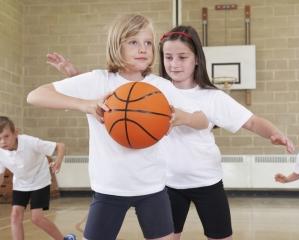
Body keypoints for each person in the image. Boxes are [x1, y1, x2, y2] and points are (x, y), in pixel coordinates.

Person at [45, 25, 295, 240]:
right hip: (167, 183)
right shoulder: (150, 89)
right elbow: (115, 100)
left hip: (206, 181)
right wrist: (76, 77)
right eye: (168, 57)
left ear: (197, 59)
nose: (174, 64)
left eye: (182, 57)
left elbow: (250, 121)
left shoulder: (212, 97)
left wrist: (274, 133)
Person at [27, 14, 209, 240]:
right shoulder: (97, 81)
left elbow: (203, 120)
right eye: (133, 42)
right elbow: (35, 96)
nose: (143, 49)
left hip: (152, 188)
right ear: (116, 45)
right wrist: (84, 104)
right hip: (109, 189)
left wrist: (184, 118)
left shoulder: (162, 86)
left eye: (148, 43)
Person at [0, 116, 76, 240]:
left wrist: (58, 161)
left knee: (36, 218)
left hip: (40, 180)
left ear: (16, 133)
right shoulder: (0, 152)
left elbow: (60, 146)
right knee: (15, 216)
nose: (2, 142)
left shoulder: (29, 142)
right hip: (21, 183)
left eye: (6, 136)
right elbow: (0, 176)